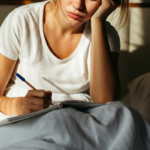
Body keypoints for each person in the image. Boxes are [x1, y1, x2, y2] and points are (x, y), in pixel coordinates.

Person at [0, 0, 128, 116]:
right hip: (23, 118)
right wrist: (19, 105)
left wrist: (98, 20)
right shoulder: (23, 19)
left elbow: (105, 101)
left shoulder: (106, 34)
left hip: (76, 119)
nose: (78, 6)